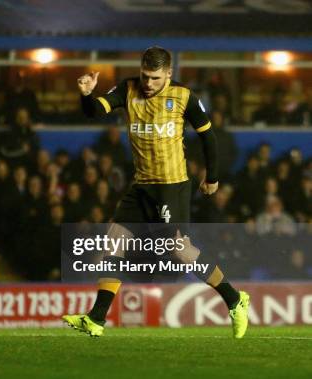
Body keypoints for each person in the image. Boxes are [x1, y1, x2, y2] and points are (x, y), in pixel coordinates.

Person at [62, 46, 250, 339]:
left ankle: (234, 299)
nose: (148, 83)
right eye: (145, 76)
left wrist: (211, 177)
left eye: (155, 78)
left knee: (178, 251)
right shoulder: (128, 89)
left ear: (169, 74)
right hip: (141, 185)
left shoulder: (184, 97)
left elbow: (208, 137)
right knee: (113, 242)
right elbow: (95, 111)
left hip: (172, 187)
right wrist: (87, 94)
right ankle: (96, 319)